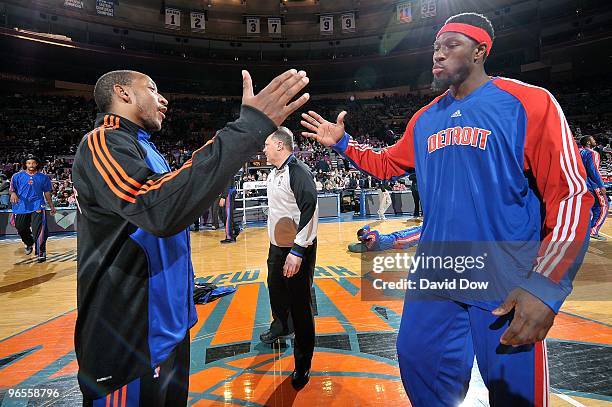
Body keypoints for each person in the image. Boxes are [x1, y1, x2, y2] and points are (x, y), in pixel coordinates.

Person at [301, 12, 592, 406]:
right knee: (419, 363)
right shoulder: (424, 119)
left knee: (515, 394)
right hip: (438, 274)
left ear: (479, 51)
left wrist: (546, 284)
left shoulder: (530, 102)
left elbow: (572, 196)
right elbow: (388, 164)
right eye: (435, 47)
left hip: (505, 276)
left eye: (450, 45)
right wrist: (344, 145)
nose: (437, 55)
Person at [72, 68, 310, 406]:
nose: (163, 98)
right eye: (152, 89)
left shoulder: (144, 147)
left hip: (169, 332)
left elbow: (166, 220)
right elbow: (157, 210)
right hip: (129, 344)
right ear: (123, 94)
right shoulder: (102, 142)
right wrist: (246, 130)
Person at [260, 126, 318, 390]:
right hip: (277, 247)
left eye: (267, 145)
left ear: (280, 146)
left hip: (297, 249)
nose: (264, 149)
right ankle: (282, 326)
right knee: (276, 291)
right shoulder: (274, 174)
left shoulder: (299, 172)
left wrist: (297, 251)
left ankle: (303, 362)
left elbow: (311, 210)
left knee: (301, 305)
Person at [9, 155, 56, 262]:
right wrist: (13, 194)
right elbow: (12, 189)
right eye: (29, 163)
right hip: (21, 206)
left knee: (39, 231)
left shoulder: (43, 177)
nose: (31, 165)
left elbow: (47, 192)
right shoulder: (16, 176)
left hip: (38, 206)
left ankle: (41, 252)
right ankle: (29, 243)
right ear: (25, 164)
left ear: (37, 164)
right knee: (20, 228)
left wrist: (51, 206)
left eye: (33, 163)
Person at [579, 136, 608, 240]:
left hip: (582, 184)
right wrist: (601, 185)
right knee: (604, 206)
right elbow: (593, 170)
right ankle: (593, 230)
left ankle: (586, 230)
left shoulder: (579, 152)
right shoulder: (592, 153)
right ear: (588, 142)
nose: (595, 141)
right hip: (593, 185)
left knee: (590, 208)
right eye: (593, 139)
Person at [349, 224, 421, 252]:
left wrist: (361, 237)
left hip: (396, 234)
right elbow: (375, 232)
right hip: (400, 239)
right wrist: (364, 236)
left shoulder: (368, 239)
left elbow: (367, 226)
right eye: (366, 232)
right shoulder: (372, 242)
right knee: (417, 232)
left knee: (415, 229)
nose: (368, 232)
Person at [219, 176, 239, 243]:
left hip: (228, 193)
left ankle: (230, 237)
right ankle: (235, 229)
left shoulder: (225, 167)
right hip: (227, 192)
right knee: (224, 215)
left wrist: (223, 196)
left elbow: (227, 181)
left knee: (227, 216)